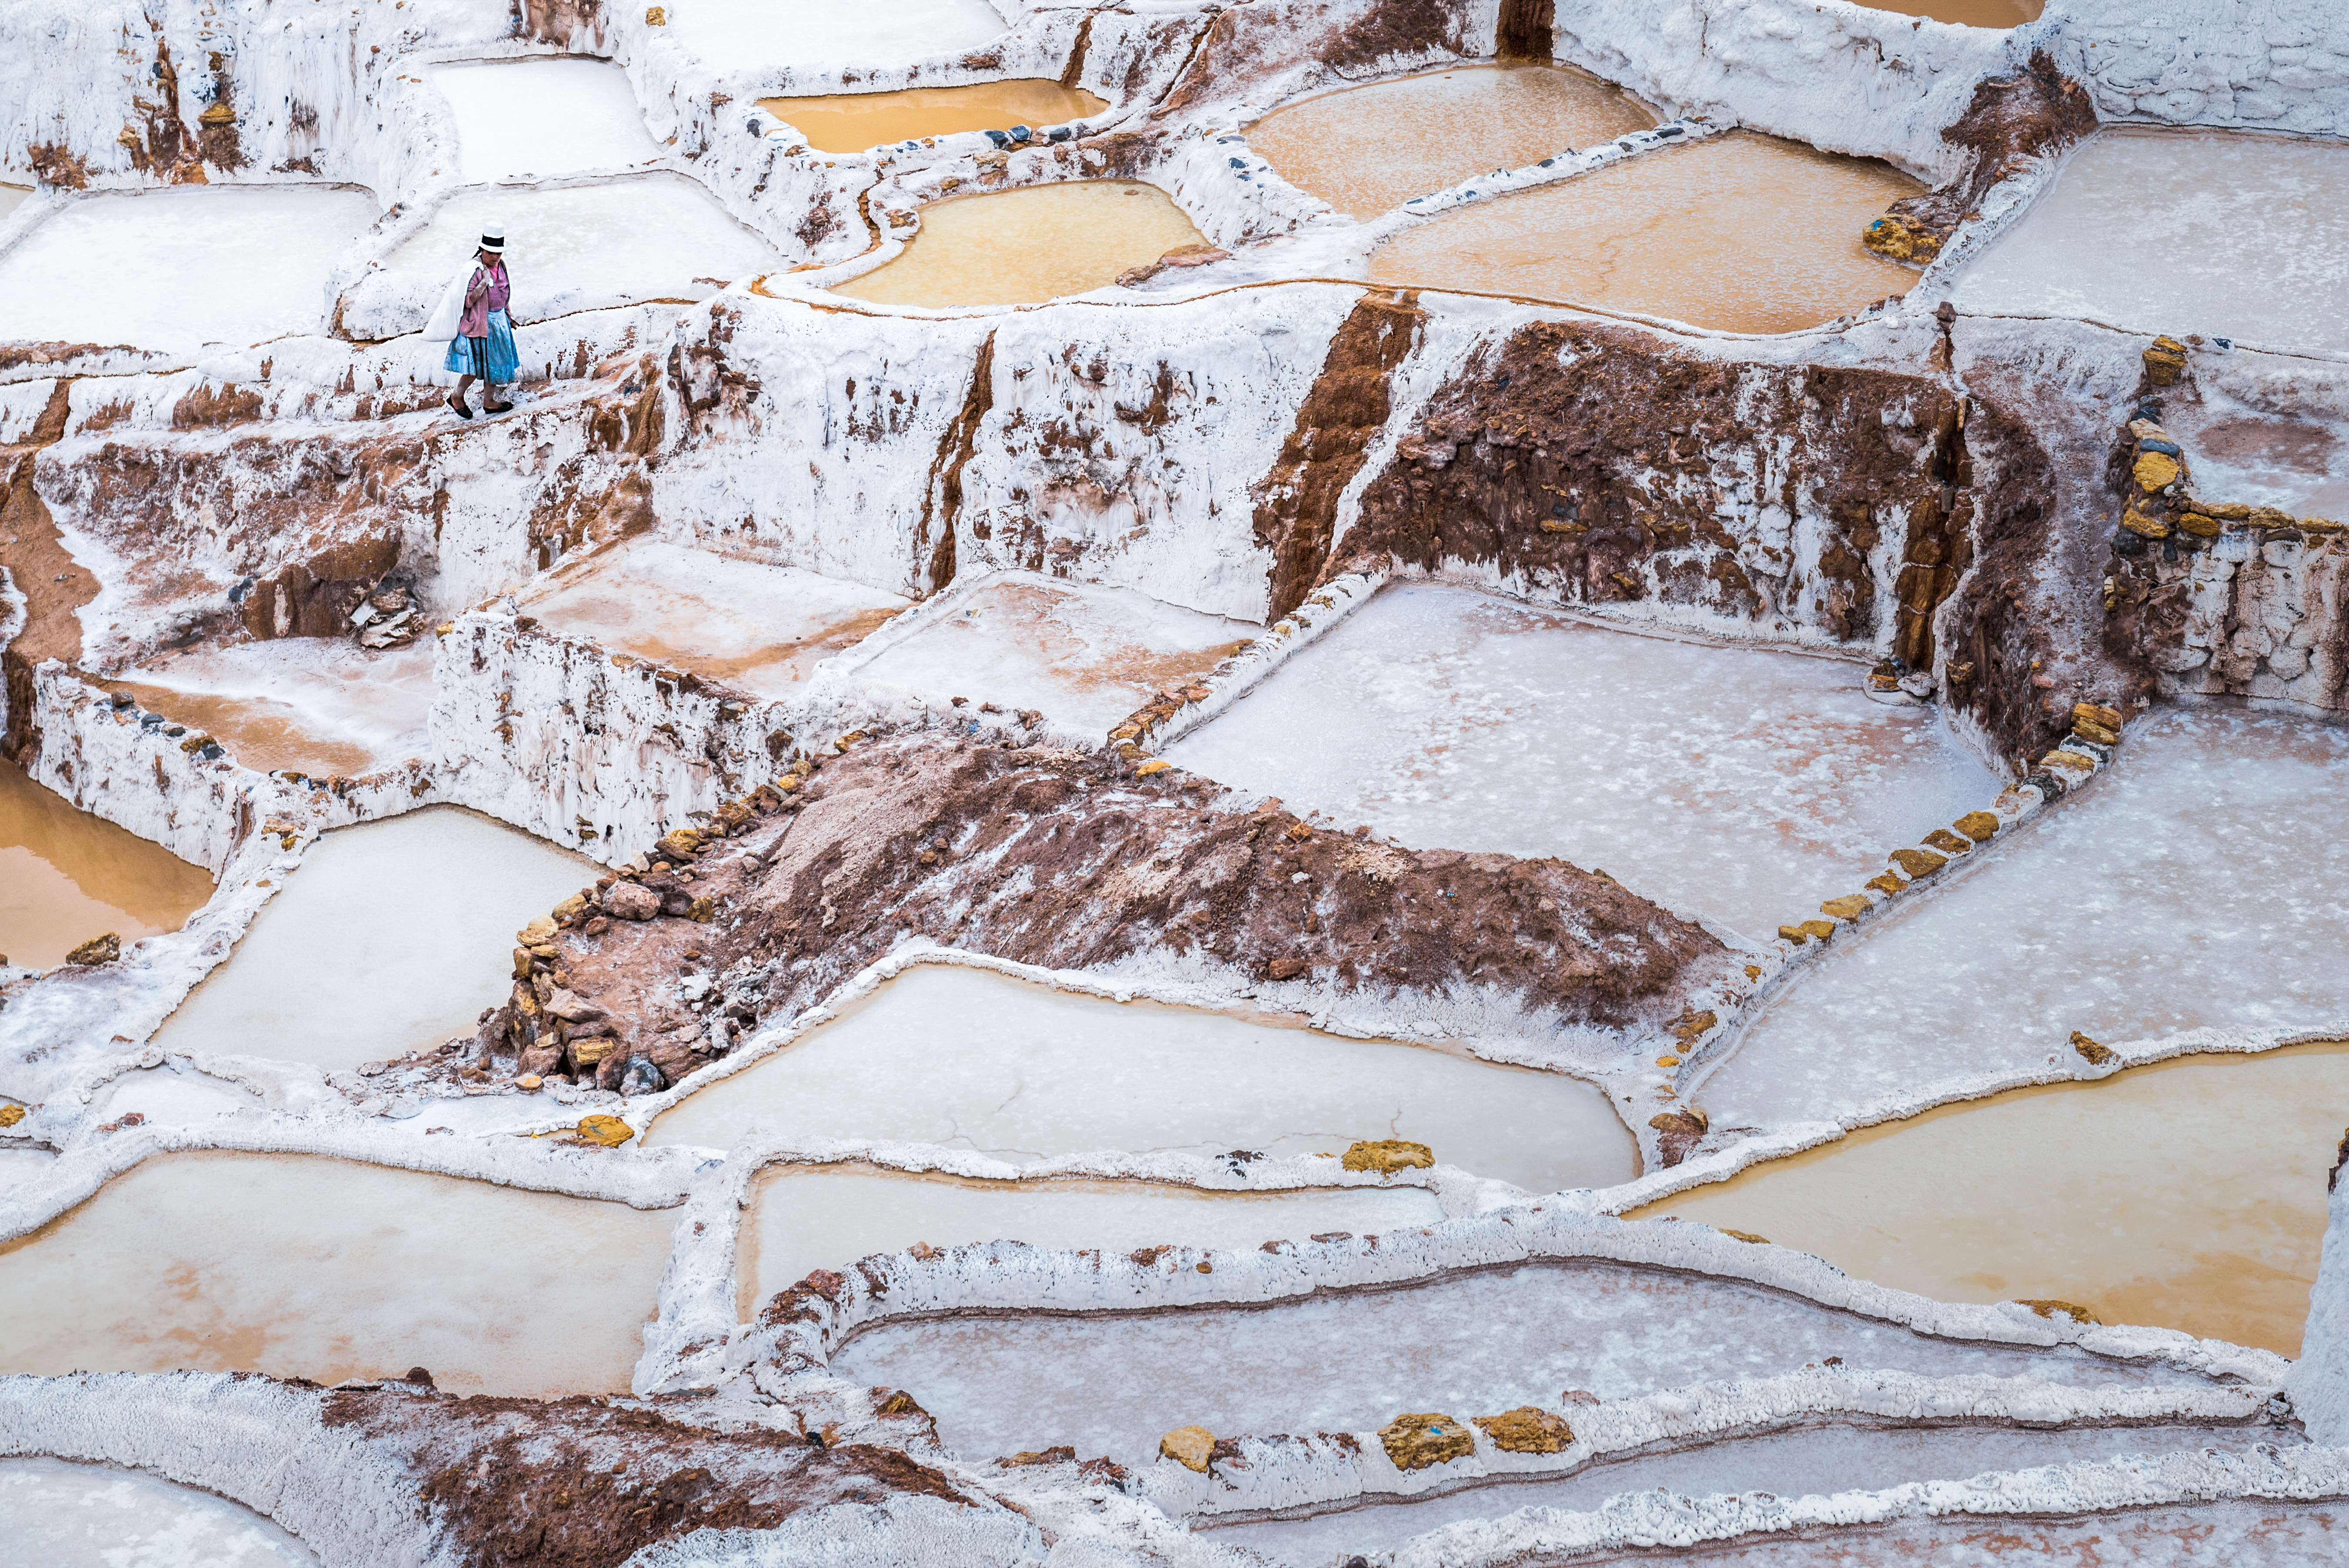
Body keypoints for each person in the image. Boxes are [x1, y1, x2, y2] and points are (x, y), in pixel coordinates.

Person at [443, 230, 517, 419]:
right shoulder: (474, 270)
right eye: (490, 252)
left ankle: (489, 403)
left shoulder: (502, 266)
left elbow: (503, 292)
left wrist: (508, 315)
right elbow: (468, 301)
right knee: (475, 366)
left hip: (499, 322)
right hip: (480, 324)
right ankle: (457, 396)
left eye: (498, 253)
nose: (495, 257)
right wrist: (484, 282)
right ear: (482, 250)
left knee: (496, 364)